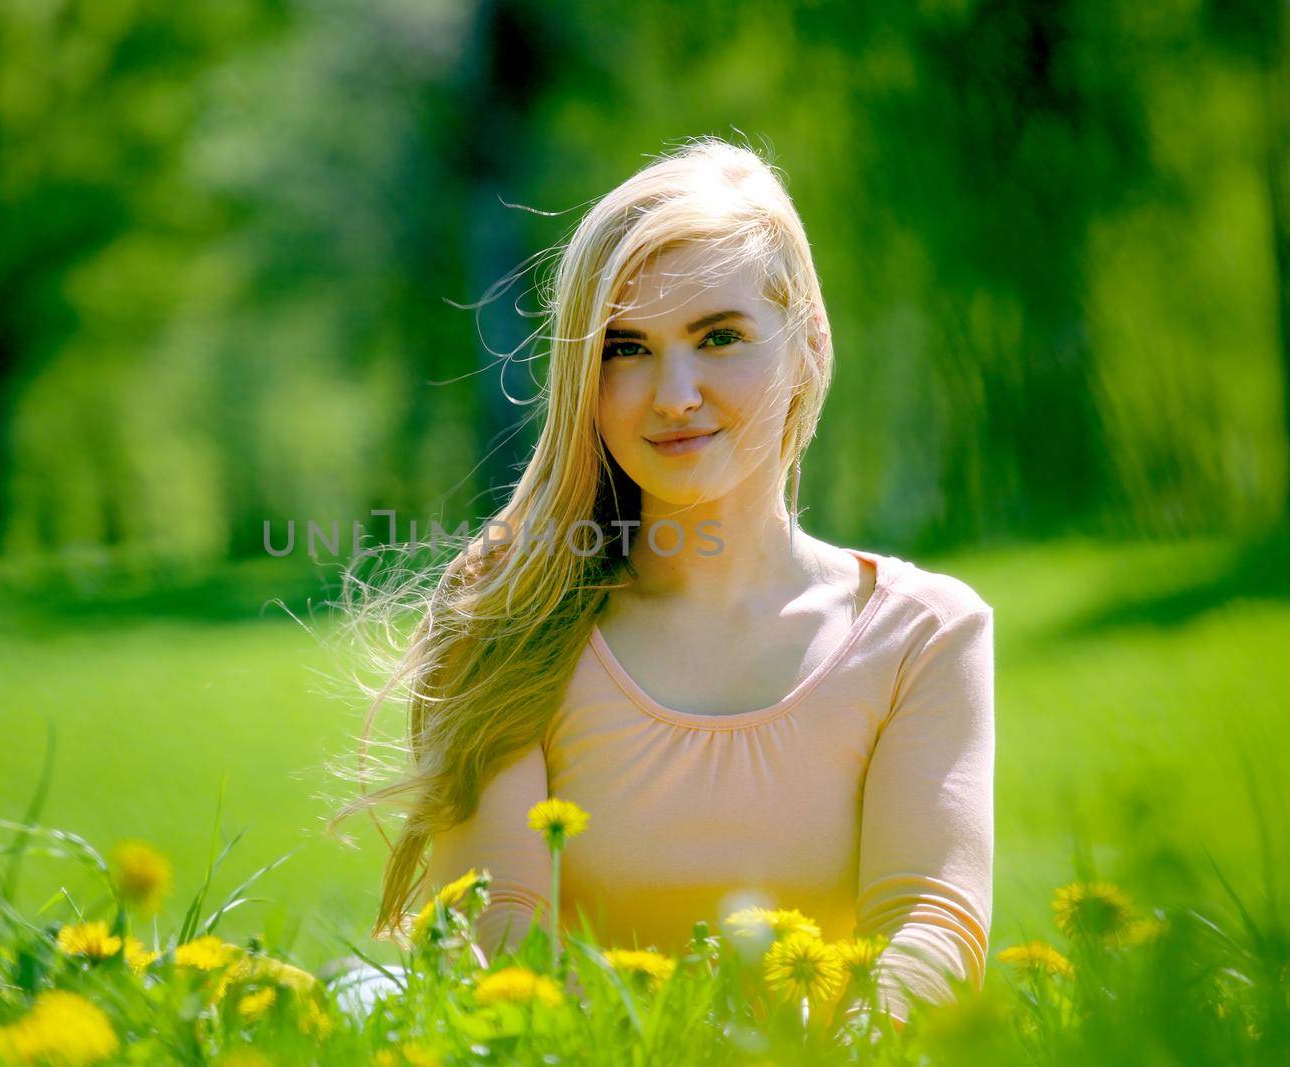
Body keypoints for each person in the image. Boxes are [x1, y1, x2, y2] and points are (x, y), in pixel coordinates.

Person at [324, 135, 995, 1033]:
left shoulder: (923, 634)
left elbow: (930, 924)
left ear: (808, 346)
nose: (673, 393)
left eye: (719, 337)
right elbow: (498, 932)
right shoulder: (505, 613)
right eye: (626, 348)